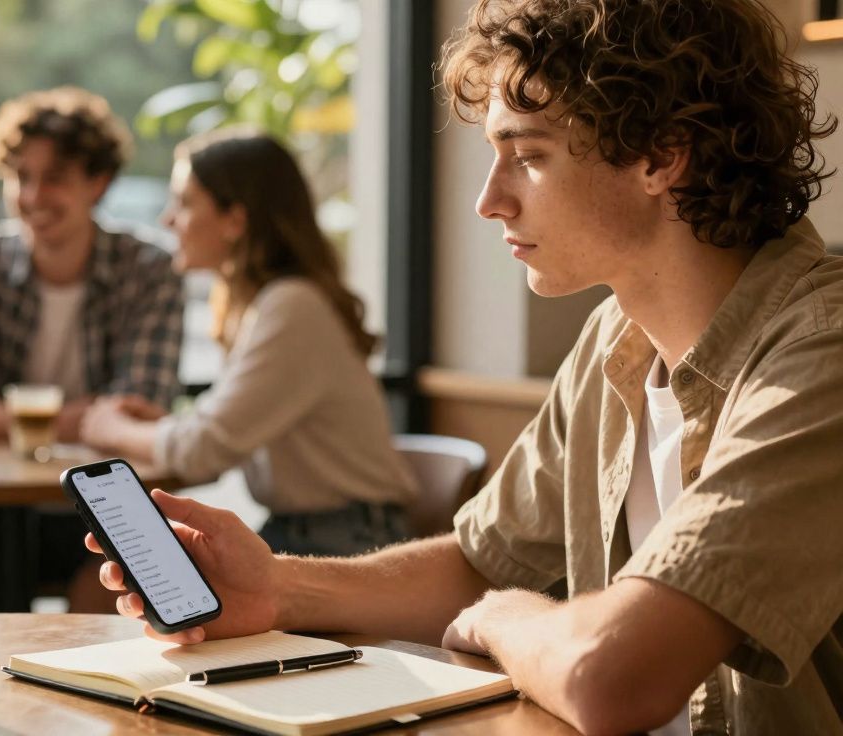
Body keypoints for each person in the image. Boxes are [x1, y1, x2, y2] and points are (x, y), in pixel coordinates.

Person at [90, 0, 843, 732]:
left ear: (661, 155)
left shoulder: (822, 350)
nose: (490, 200)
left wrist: (509, 615)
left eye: (529, 156)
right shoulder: (614, 339)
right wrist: (276, 587)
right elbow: (480, 562)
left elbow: (611, 675)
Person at [80, 131, 419, 557]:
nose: (168, 220)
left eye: (184, 203)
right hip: (311, 532)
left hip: (345, 543)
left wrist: (112, 428)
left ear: (234, 221)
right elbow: (224, 432)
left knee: (145, 577)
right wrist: (163, 424)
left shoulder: (292, 306)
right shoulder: (265, 304)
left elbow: (204, 451)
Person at [0, 87, 184, 610]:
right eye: (21, 177)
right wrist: (85, 418)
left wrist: (6, 417)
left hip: (114, 497)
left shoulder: (150, 268)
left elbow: (143, 406)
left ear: (99, 183)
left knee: (142, 595)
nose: (33, 196)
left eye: (55, 178)